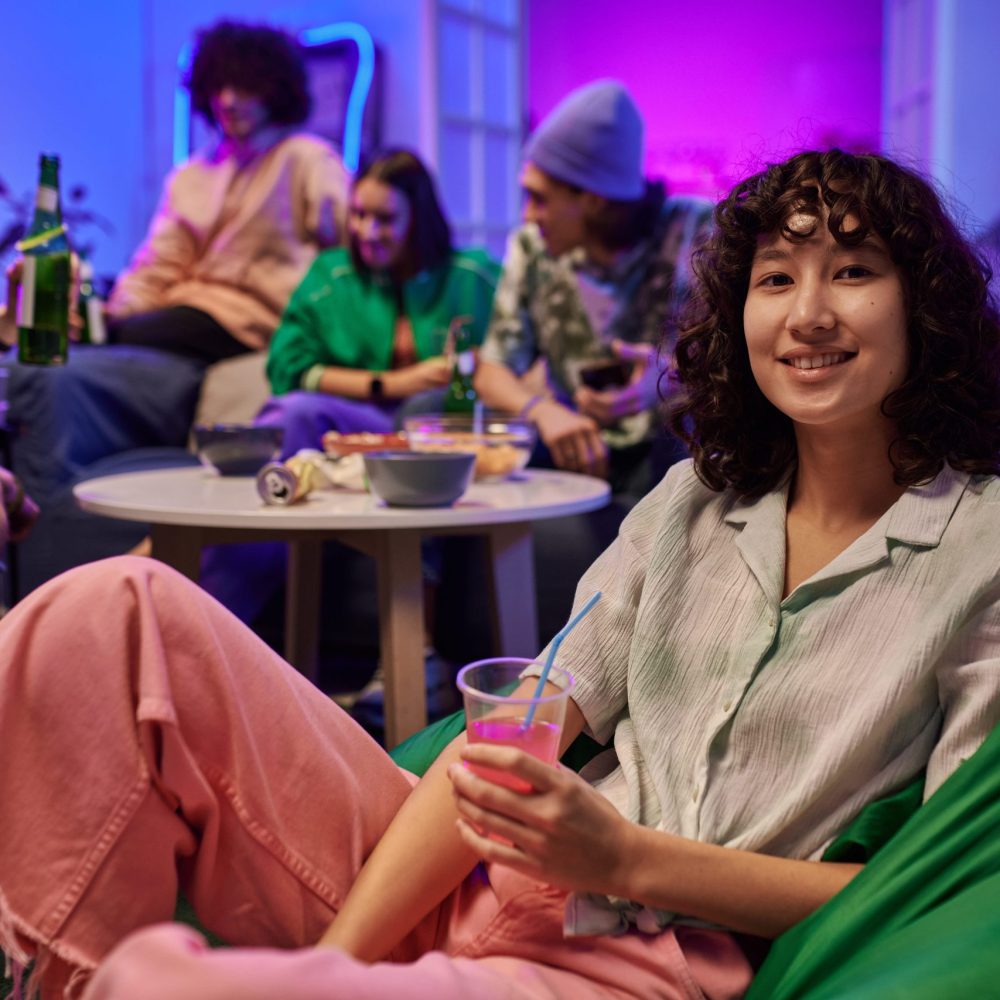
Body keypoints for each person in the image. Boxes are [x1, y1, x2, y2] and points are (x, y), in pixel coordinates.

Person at [3, 148, 1000, 1000]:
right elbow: (515, 734)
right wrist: (341, 958)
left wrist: (624, 860)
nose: (807, 313)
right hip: (476, 870)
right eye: (776, 277)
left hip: (634, 962)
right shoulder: (693, 502)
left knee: (166, 983)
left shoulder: (979, 549)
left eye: (853, 270)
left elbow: (926, 888)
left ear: (924, 306)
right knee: (109, 611)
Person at [474, 79, 712, 496]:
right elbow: (493, 369)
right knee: (436, 412)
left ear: (593, 201)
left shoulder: (694, 231)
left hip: (667, 452)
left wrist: (666, 381)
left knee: (683, 436)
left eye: (539, 198)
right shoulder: (533, 247)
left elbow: (750, 360)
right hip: (572, 445)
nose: (528, 215)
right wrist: (544, 412)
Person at [104, 20, 349, 363]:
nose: (228, 101)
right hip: (185, 312)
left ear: (274, 90)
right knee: (107, 335)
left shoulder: (308, 159)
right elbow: (159, 262)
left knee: (132, 336)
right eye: (218, 87)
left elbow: (343, 251)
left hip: (260, 322)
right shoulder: (190, 176)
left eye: (244, 88)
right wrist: (112, 314)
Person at [257, 147, 500, 455]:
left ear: (419, 219)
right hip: (357, 420)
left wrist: (477, 363)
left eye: (385, 219)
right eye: (358, 214)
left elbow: (518, 352)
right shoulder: (330, 276)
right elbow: (286, 369)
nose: (367, 232)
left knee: (428, 406)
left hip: (440, 424)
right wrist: (392, 384)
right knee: (290, 413)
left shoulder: (472, 276)